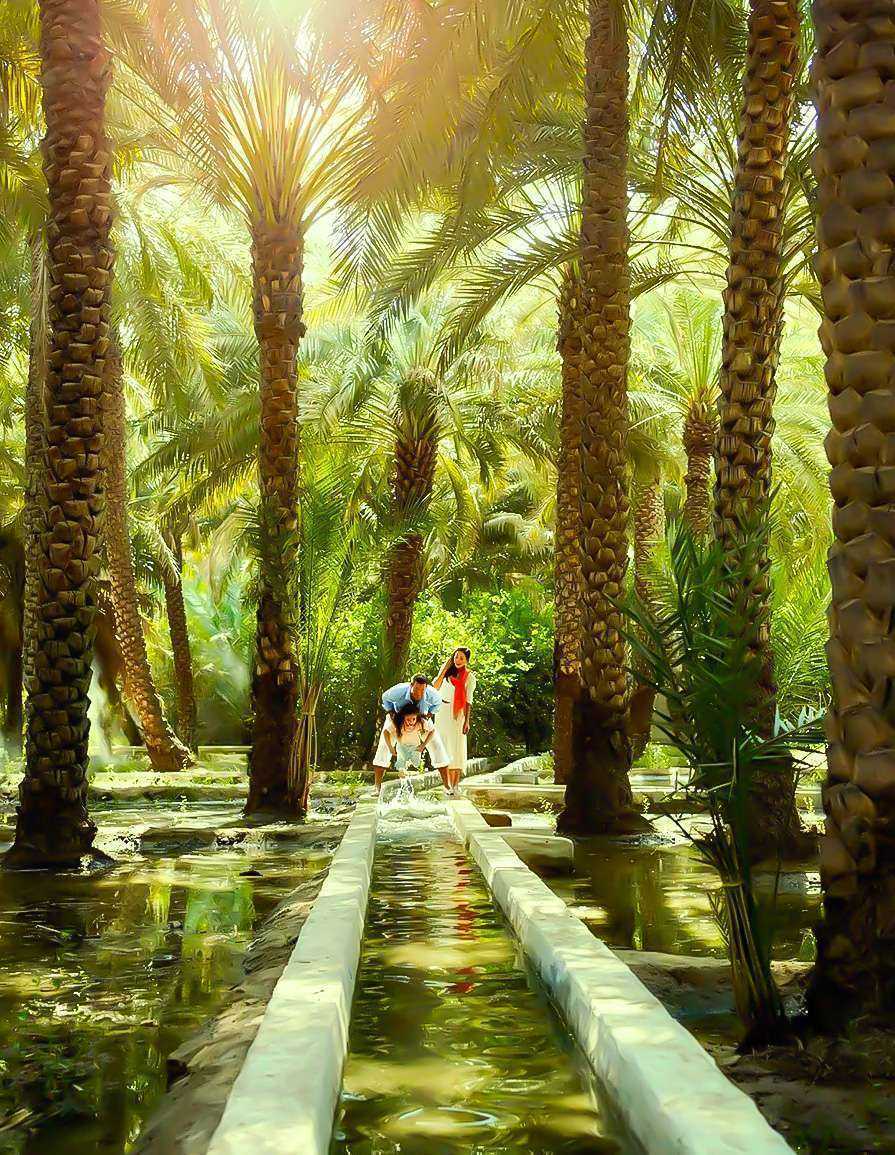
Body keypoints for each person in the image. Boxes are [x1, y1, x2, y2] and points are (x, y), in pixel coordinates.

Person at [373, 684, 449, 794]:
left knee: (437, 746)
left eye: (422, 690)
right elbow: (385, 697)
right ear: (411, 685)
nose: (419, 692)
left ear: (426, 688)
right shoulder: (399, 691)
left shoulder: (433, 694)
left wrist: (429, 715)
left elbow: (437, 705)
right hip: (398, 719)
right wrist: (391, 712)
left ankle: (447, 786)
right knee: (383, 748)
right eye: (416, 689)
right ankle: (377, 787)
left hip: (420, 719)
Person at [433, 647, 476, 794]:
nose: (458, 660)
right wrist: (444, 668)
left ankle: (454, 785)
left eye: (462, 658)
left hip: (458, 715)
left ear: (466, 661)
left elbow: (469, 700)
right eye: (456, 657)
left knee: (456, 748)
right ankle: (447, 784)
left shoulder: (469, 677)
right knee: (443, 748)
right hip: (442, 713)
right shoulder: (446, 673)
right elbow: (434, 687)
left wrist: (467, 721)